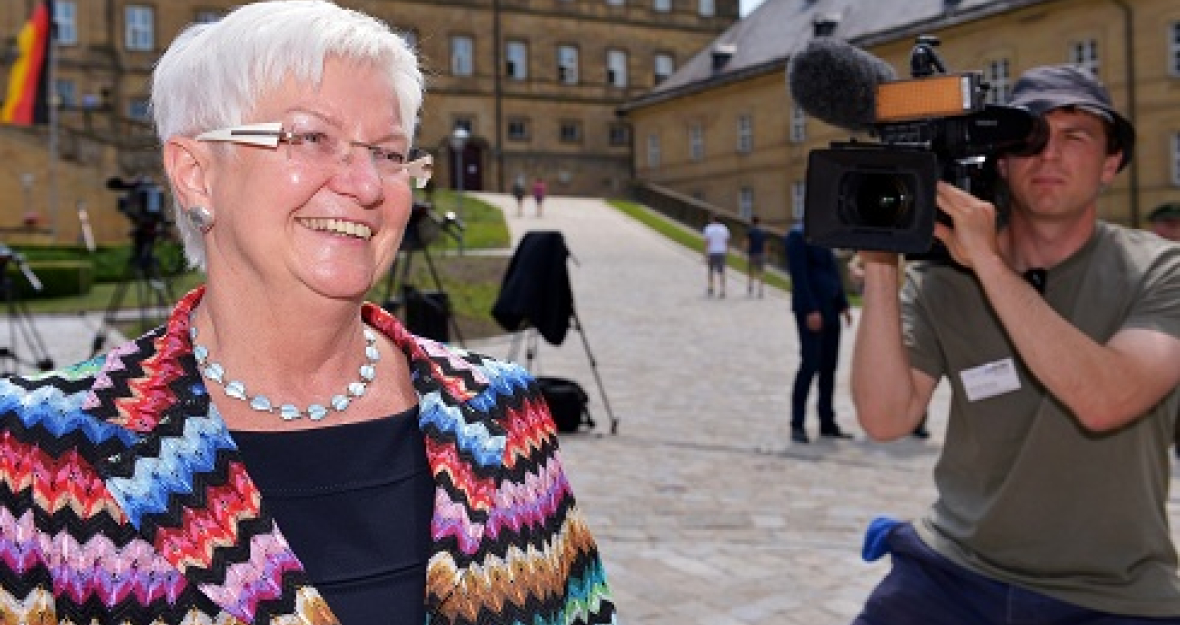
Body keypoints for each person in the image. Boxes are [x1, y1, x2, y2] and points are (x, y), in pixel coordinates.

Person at [0, 3, 618, 624]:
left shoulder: (501, 415)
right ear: (194, 174)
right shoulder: (37, 450)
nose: (368, 185)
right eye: (310, 138)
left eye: (389, 152)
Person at [850, 64, 1180, 623]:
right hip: (954, 570)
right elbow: (885, 418)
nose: (1050, 156)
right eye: (1031, 140)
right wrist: (883, 259)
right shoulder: (943, 280)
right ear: (1001, 162)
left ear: (1110, 163)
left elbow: (1106, 401)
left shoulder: (1160, 271)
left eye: (1076, 137)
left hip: (1111, 592)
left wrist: (989, 264)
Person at [784, 222, 852, 443]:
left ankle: (827, 421)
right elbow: (799, 276)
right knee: (810, 364)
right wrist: (810, 308)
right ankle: (797, 423)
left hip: (831, 310)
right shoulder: (797, 235)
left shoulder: (824, 234)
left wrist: (843, 304)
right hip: (812, 312)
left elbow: (833, 271)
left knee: (829, 368)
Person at [702, 212, 730, 297]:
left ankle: (711, 287)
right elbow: (726, 241)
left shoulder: (708, 228)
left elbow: (707, 242)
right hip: (721, 252)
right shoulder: (724, 228)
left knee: (710, 271)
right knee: (721, 272)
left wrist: (705, 254)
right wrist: (727, 251)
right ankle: (722, 290)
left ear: (712, 219)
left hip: (712, 252)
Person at [745, 214, 767, 297]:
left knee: (751, 271)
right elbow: (766, 244)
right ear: (759, 222)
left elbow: (747, 242)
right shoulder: (763, 231)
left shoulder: (750, 231)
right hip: (761, 253)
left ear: (752, 221)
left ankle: (750, 286)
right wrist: (765, 253)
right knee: (761, 272)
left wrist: (745, 251)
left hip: (752, 253)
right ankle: (760, 290)